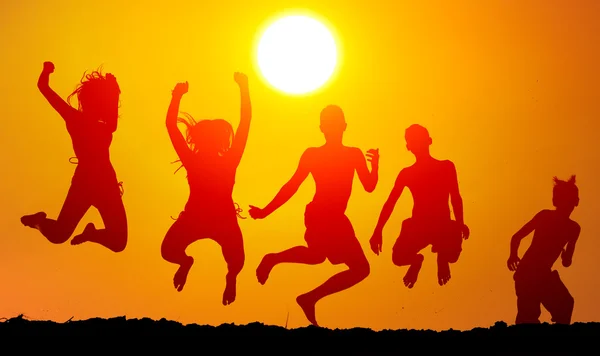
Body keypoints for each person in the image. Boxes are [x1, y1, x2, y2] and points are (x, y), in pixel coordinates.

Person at [249, 105, 378, 326]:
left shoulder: (354, 154)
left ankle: (308, 295)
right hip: (319, 214)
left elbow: (369, 186)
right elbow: (292, 185)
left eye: (337, 124)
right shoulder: (313, 154)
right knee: (325, 258)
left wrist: (374, 166)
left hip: (337, 218)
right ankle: (290, 277)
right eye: (331, 124)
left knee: (346, 265)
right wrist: (265, 211)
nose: (335, 128)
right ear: (322, 128)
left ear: (344, 126)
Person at [161, 72, 251, 306]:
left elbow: (244, 124)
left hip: (221, 220)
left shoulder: (224, 160)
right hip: (197, 218)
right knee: (168, 251)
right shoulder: (202, 161)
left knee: (237, 262)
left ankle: (230, 277)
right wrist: (176, 96)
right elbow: (171, 126)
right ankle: (186, 263)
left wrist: (244, 88)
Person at [21, 61, 127, 253]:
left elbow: (113, 117)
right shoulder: (74, 118)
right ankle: (38, 222)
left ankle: (91, 234)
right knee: (59, 235)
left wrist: (114, 89)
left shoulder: (105, 125)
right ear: (88, 102)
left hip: (106, 183)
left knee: (119, 243)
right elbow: (44, 89)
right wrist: (46, 71)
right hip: (84, 184)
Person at [369, 124, 469, 288]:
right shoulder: (407, 174)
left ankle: (442, 257)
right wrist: (378, 230)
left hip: (441, 225)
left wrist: (460, 223)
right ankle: (417, 261)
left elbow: (456, 197)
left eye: (418, 141)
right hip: (419, 226)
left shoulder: (446, 166)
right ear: (408, 147)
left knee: (453, 253)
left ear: (429, 141)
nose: (415, 145)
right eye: (412, 142)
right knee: (398, 258)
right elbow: (390, 203)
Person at [507, 175, 581, 325]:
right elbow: (516, 237)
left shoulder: (570, 227)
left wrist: (513, 255)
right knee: (530, 317)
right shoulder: (555, 221)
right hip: (528, 274)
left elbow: (516, 237)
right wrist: (513, 255)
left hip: (538, 275)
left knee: (564, 304)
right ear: (576, 202)